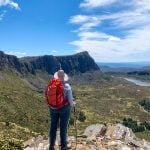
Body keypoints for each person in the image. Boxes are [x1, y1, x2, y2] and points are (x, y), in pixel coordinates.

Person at [45, 70, 75, 150]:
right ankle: (63, 146)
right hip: (64, 109)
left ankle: (51, 146)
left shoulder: (51, 85)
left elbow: (48, 96)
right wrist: (73, 104)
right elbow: (70, 101)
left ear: (56, 76)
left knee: (53, 127)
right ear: (64, 77)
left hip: (53, 108)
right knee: (63, 127)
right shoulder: (67, 86)